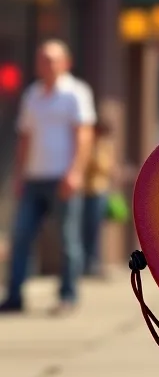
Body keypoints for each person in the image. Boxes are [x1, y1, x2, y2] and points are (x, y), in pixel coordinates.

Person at [0, 40, 95, 315]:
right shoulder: (32, 95)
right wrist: (18, 176)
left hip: (62, 177)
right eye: (42, 59)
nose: (47, 64)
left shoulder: (76, 93)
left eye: (52, 59)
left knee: (67, 239)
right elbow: (25, 138)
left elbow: (84, 135)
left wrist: (75, 171)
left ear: (66, 62)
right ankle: (15, 295)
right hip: (33, 178)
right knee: (21, 236)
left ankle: (68, 295)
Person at [81, 119, 116, 277]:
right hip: (84, 191)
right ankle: (85, 263)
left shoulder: (104, 146)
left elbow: (105, 166)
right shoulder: (87, 144)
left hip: (98, 190)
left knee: (94, 229)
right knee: (84, 229)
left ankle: (93, 262)